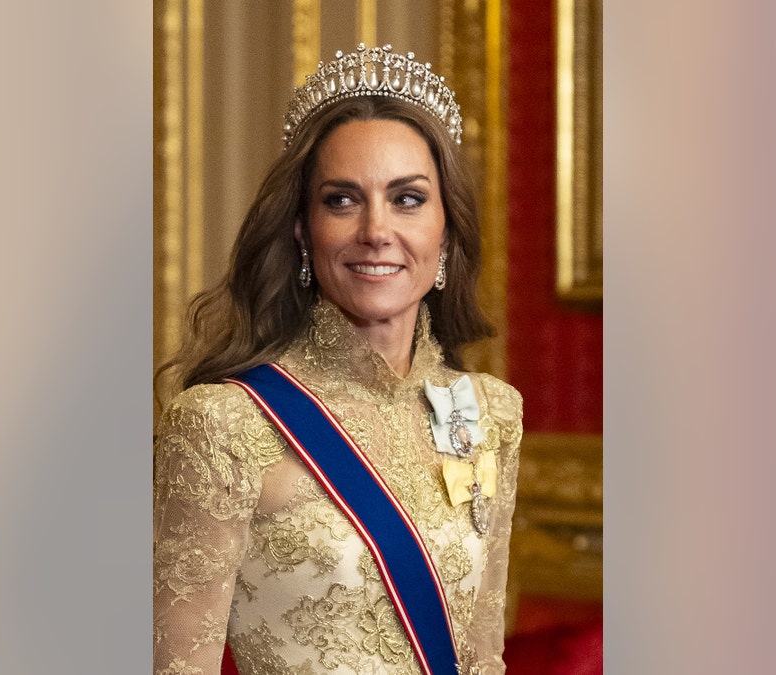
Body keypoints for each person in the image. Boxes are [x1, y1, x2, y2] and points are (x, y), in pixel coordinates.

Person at [154, 44, 523, 675]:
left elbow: (483, 655)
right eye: (342, 200)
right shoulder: (222, 425)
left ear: (446, 230)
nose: (376, 230)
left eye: (408, 199)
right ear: (303, 230)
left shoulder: (489, 412)